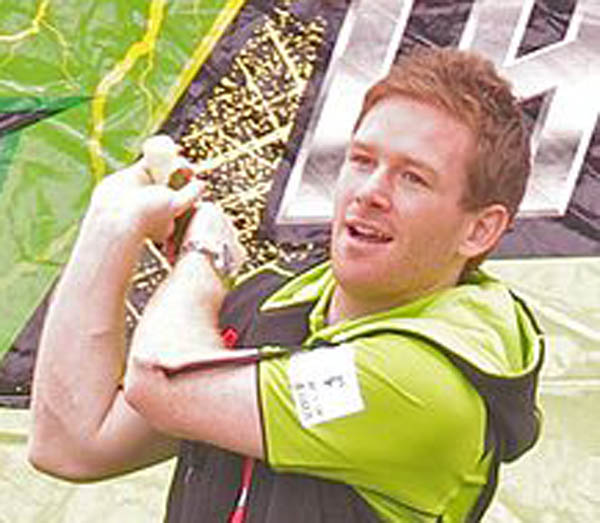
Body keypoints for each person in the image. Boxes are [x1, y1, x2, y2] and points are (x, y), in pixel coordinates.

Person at [29, 47, 544, 522]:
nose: (369, 192)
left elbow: (160, 381)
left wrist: (204, 258)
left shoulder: (425, 387)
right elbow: (71, 445)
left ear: (480, 230)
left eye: (413, 177)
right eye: (362, 160)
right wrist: (110, 224)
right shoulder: (274, 298)